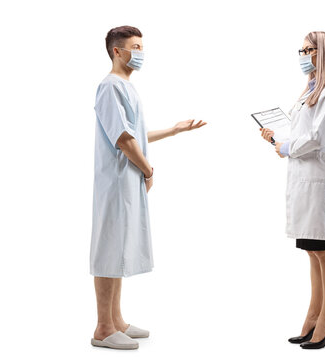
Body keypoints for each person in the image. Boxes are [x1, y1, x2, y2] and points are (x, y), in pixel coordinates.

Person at [90, 25, 206, 350]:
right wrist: (148, 169)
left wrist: (173, 130)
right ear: (117, 51)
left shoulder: (126, 87)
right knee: (108, 250)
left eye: (142, 47)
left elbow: (135, 133)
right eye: (135, 47)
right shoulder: (109, 87)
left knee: (119, 249)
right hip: (115, 182)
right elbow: (124, 139)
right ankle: (102, 328)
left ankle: (116, 321)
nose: (140, 53)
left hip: (125, 182)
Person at [260, 31, 325, 350]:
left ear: (323, 52)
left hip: (320, 182)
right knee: (312, 251)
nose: (303, 54)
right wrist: (276, 138)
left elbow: (318, 138)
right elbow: (301, 132)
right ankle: (313, 317)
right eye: (301, 49)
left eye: (308, 49)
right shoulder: (310, 89)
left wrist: (286, 146)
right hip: (303, 180)